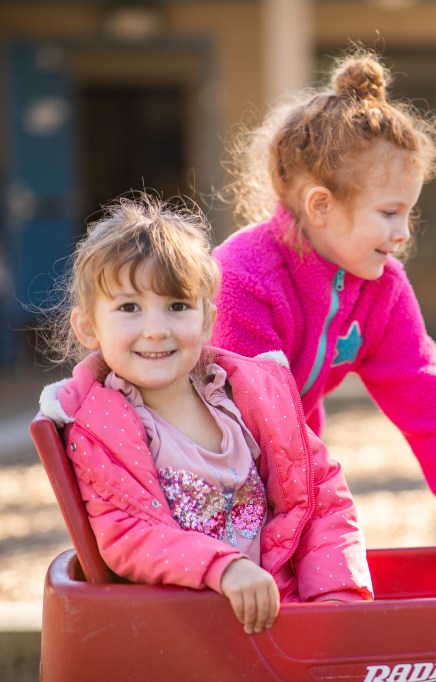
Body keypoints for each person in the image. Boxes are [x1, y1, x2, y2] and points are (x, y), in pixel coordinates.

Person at [211, 48, 436, 588]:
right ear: (321, 206)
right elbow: (251, 421)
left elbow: (424, 389)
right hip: (209, 476)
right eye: (389, 213)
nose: (404, 232)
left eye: (409, 212)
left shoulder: (380, 285)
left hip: (294, 474)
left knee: (329, 577)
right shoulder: (243, 279)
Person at [36, 196, 373, 634]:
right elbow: (126, 534)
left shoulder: (250, 399)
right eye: (129, 308)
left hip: (284, 618)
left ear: (207, 318)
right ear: (88, 327)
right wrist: (224, 568)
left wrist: (335, 600)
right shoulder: (101, 429)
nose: (156, 328)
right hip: (186, 635)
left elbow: (321, 496)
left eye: (177, 306)